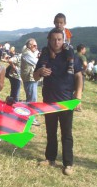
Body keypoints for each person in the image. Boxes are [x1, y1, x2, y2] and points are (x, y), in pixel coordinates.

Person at [33, 28, 83, 176]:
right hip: (49, 101)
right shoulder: (45, 55)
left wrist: (78, 96)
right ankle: (50, 158)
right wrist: (40, 72)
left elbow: (79, 76)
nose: (56, 42)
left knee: (66, 134)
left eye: (59, 39)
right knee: (50, 132)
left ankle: (68, 163)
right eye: (54, 39)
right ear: (49, 40)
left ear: (64, 40)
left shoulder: (71, 55)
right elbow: (35, 77)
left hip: (66, 101)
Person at [21, 38, 40, 126]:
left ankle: (28, 117)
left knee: (31, 99)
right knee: (32, 100)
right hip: (29, 79)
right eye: (34, 45)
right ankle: (30, 118)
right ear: (29, 46)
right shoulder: (27, 54)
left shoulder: (30, 53)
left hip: (32, 78)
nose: (36, 47)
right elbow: (36, 62)